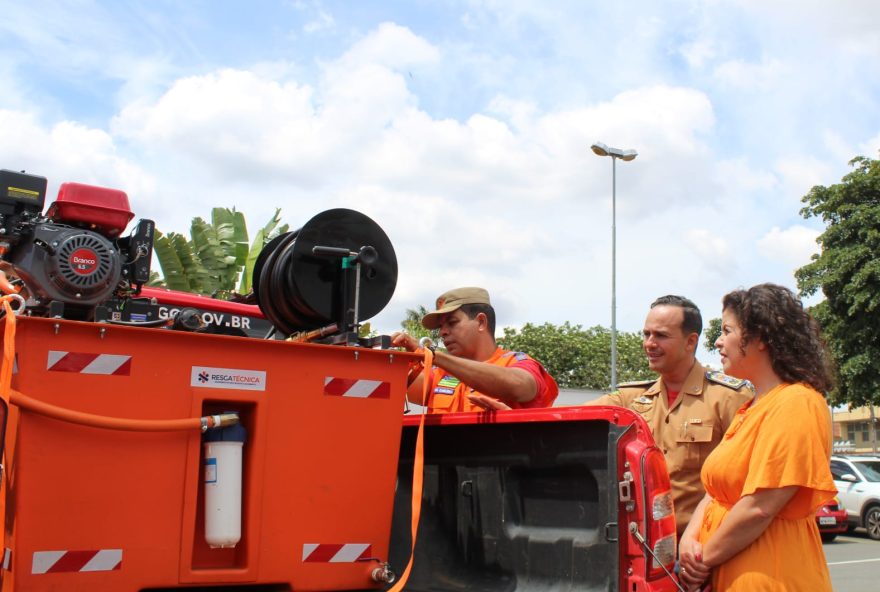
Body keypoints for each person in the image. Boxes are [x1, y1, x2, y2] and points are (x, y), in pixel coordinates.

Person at [678, 284, 836, 591]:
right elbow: (715, 491)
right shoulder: (750, 407)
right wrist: (689, 540)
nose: (719, 342)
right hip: (731, 571)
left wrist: (703, 561)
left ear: (761, 338)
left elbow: (761, 506)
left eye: (727, 331)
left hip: (769, 575)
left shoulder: (797, 402)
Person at [587, 295, 753, 537]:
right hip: (644, 554)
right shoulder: (629, 399)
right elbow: (568, 418)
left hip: (703, 551)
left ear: (690, 341)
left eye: (661, 335)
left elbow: (749, 485)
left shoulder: (729, 397)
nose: (649, 343)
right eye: (646, 334)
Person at [391, 287, 558, 413]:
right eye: (441, 326)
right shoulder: (441, 374)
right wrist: (374, 357)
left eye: (452, 322)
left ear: (481, 322)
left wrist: (433, 355)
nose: (443, 332)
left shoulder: (517, 363)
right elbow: (389, 384)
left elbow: (520, 385)